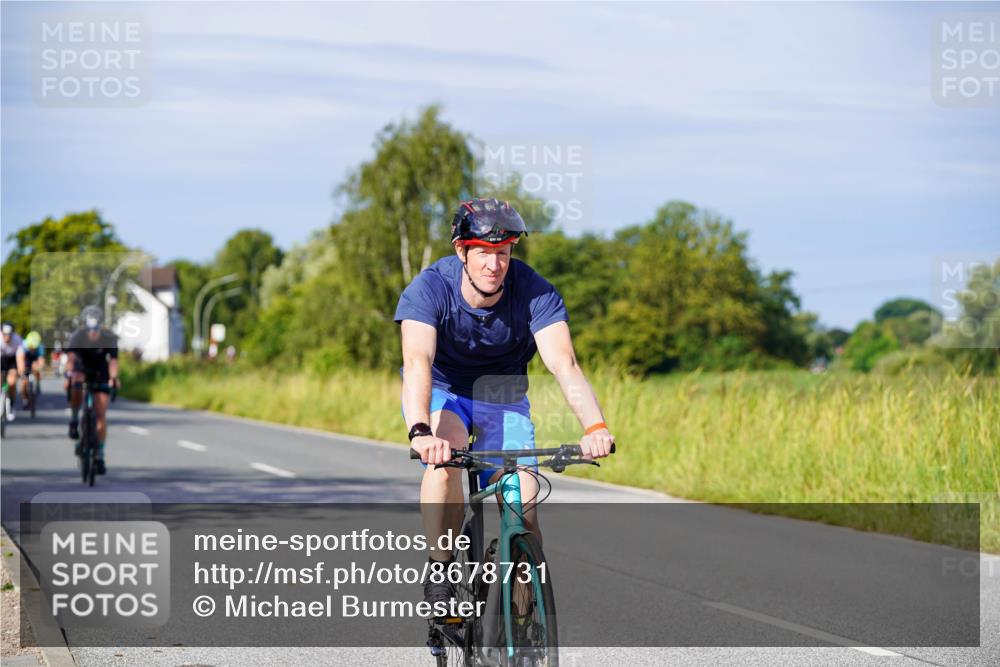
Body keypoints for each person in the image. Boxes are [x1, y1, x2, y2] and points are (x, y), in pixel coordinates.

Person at [395, 198, 615, 607]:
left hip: (503, 395)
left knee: (523, 502)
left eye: (503, 253)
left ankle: (523, 611)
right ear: (462, 251)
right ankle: (440, 567)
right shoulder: (430, 288)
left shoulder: (534, 291)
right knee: (443, 467)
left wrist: (595, 427)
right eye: (483, 253)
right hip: (446, 389)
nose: (494, 265)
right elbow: (417, 360)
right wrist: (422, 431)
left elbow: (564, 364)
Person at [65, 306, 119, 474]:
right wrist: (70, 374)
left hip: (100, 372)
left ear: (100, 327)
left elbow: (113, 361)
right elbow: (71, 359)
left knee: (101, 412)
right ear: (85, 327)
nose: (93, 333)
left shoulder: (109, 338)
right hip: (82, 370)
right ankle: (74, 419)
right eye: (90, 329)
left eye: (96, 329)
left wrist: (113, 378)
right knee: (75, 386)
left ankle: (100, 454)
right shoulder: (78, 337)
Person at [1, 322, 26, 421]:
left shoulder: (17, 340)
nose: (7, 337)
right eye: (4, 334)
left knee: (11, 382)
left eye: (9, 335)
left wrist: (21, 371)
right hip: (1, 358)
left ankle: (10, 405)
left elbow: (20, 358)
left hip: (12, 359)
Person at [19, 331, 46, 405]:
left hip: (35, 359)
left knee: (37, 369)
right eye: (31, 347)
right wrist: (22, 369)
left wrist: (40, 368)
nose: (33, 349)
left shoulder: (40, 347)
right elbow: (21, 359)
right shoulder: (23, 345)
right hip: (26, 359)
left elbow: (41, 359)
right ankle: (24, 399)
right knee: (24, 381)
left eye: (34, 348)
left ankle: (37, 384)